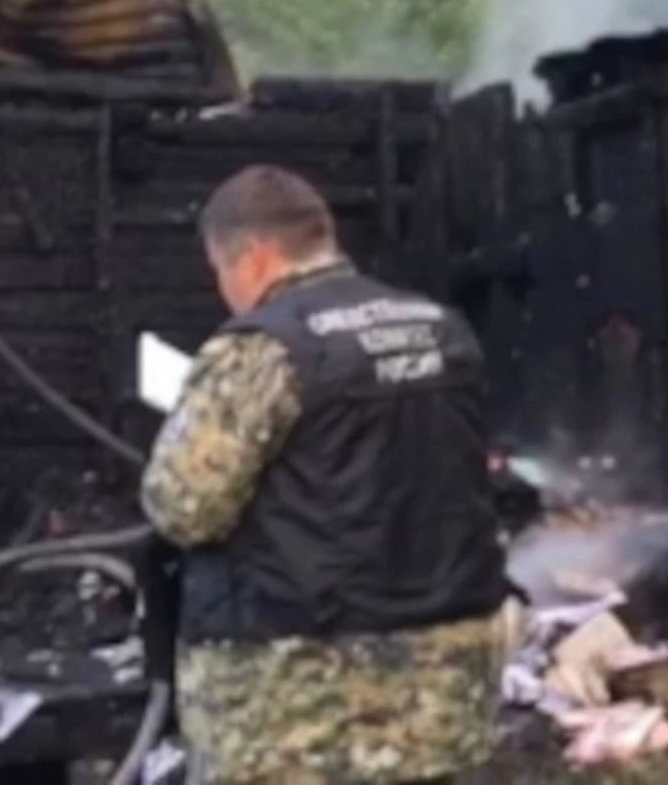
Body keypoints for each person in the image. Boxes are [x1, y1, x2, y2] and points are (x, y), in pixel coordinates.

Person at [140, 165, 513, 784]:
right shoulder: (440, 329)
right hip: (446, 692)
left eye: (221, 270)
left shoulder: (262, 348)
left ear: (255, 255)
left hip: (302, 705)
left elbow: (183, 507)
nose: (224, 289)